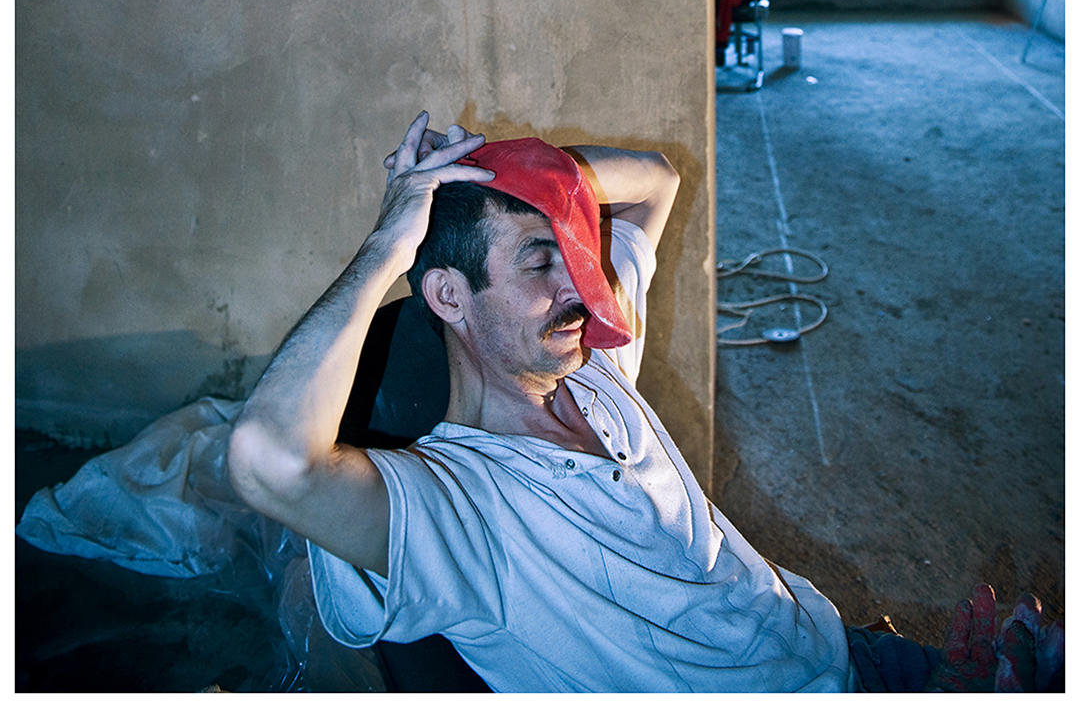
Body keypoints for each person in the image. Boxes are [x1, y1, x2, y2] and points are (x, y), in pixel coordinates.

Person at [227, 113, 1063, 693]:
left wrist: (516, 171)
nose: (580, 288)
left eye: (576, 253)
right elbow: (269, 460)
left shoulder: (594, 368)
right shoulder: (457, 512)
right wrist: (387, 242)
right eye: (538, 262)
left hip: (836, 646)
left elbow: (656, 182)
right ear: (447, 294)